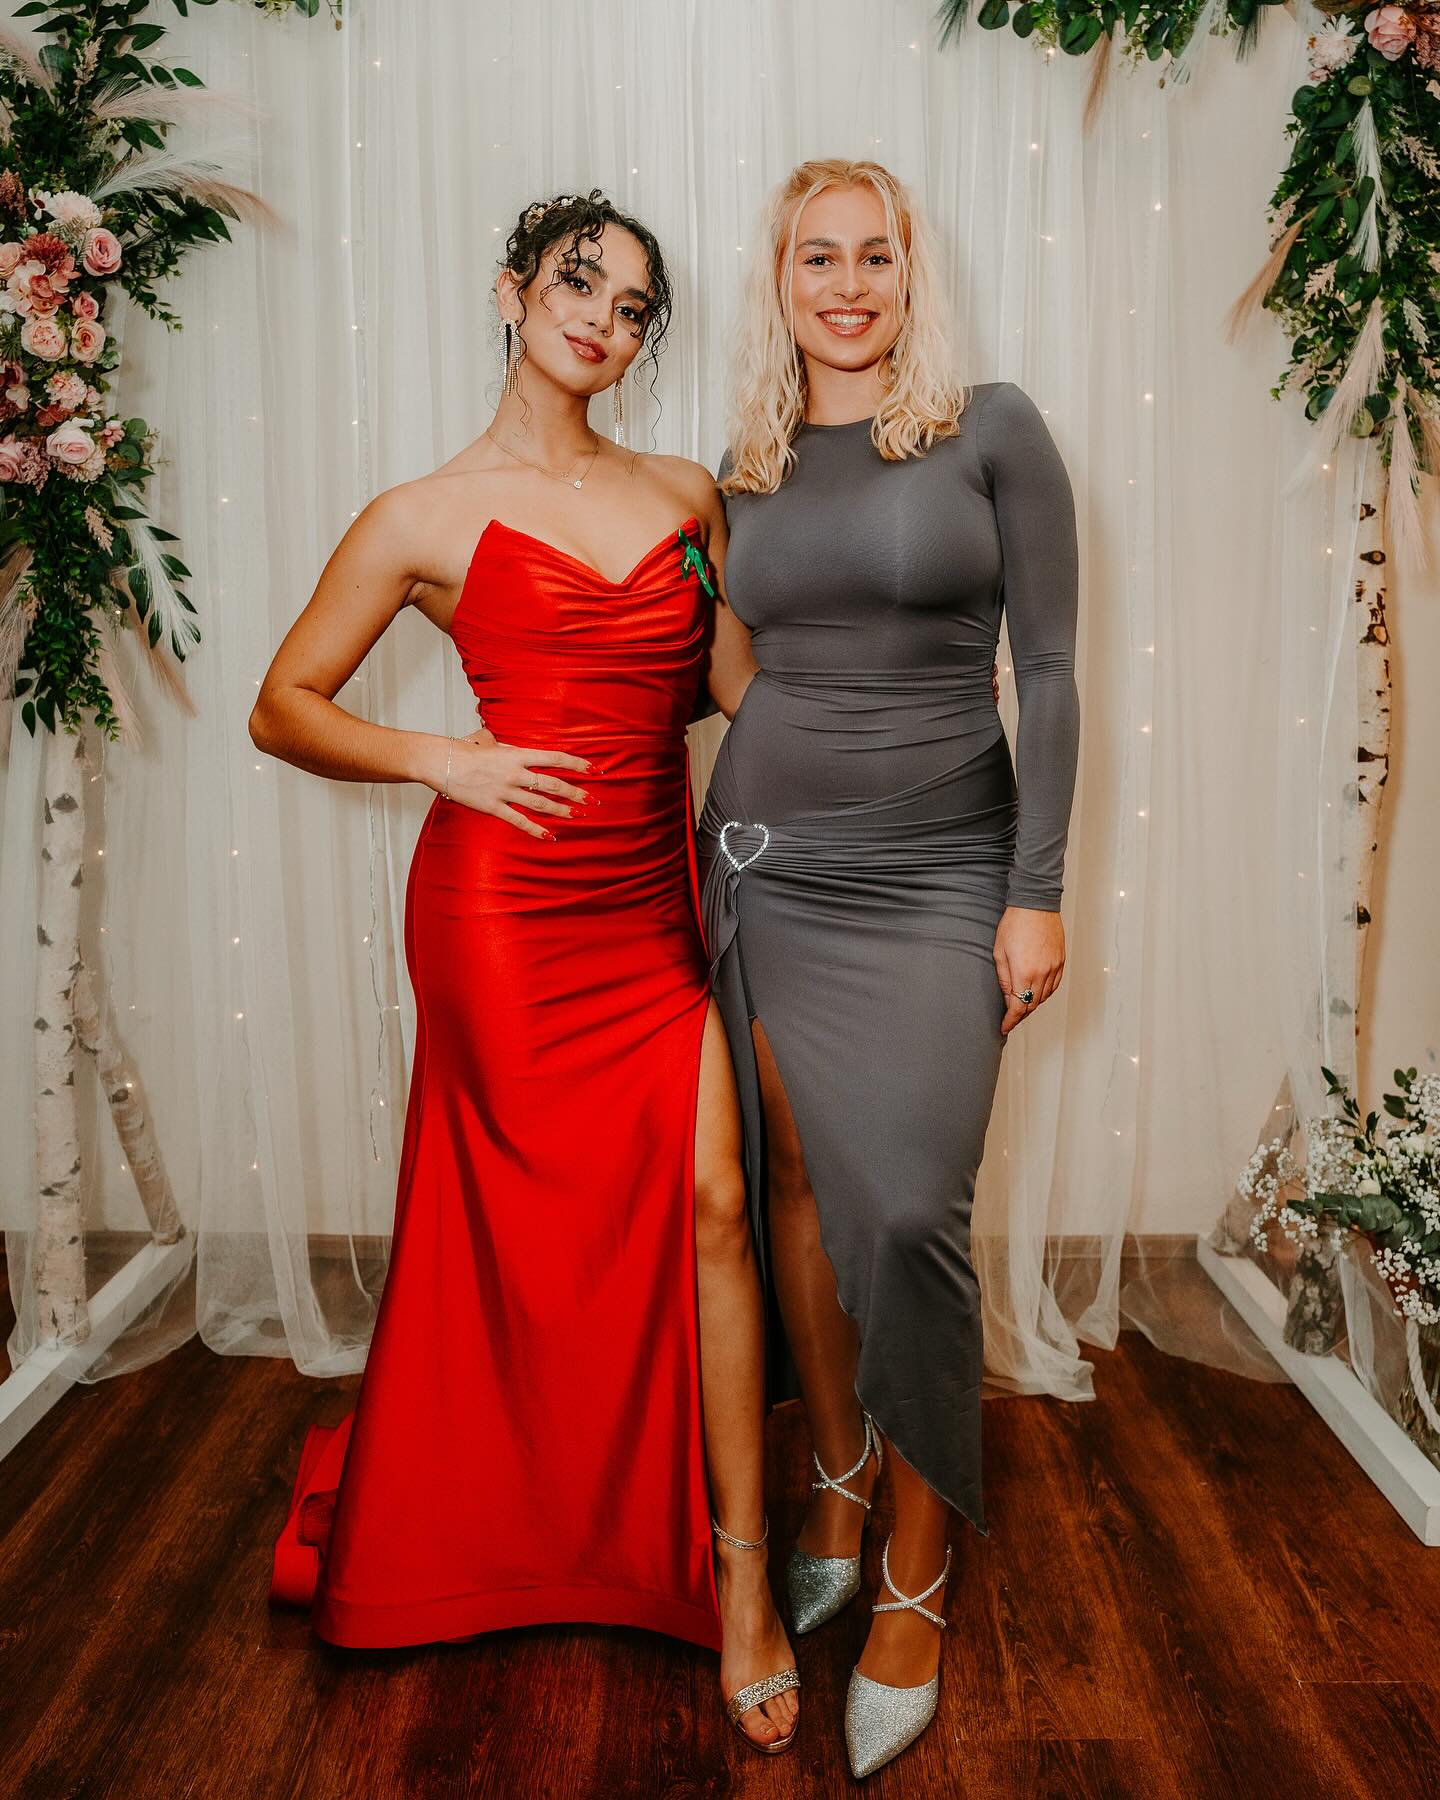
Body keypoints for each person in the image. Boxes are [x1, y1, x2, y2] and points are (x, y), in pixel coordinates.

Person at [253, 190, 799, 1755]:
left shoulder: (683, 493)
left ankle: (737, 1578)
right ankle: (518, 1527)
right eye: (577, 286)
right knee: (521, 1234)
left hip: (647, 908)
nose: (602, 322)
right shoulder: (421, 514)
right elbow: (284, 704)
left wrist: (911, 692)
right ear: (512, 293)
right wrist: (448, 759)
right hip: (500, 920)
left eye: (631, 309)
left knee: (710, 1206)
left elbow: (742, 695)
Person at [697, 159, 1080, 1778]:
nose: (845, 285)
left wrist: (1035, 892)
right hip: (771, 866)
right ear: (778, 280)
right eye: (816, 258)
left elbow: (1048, 668)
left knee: (913, 1209)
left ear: (910, 274)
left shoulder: (993, 430)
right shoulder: (746, 466)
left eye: (873, 256)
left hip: (943, 868)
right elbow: (732, 670)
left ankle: (917, 1573)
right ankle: (839, 1478)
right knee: (796, 1185)